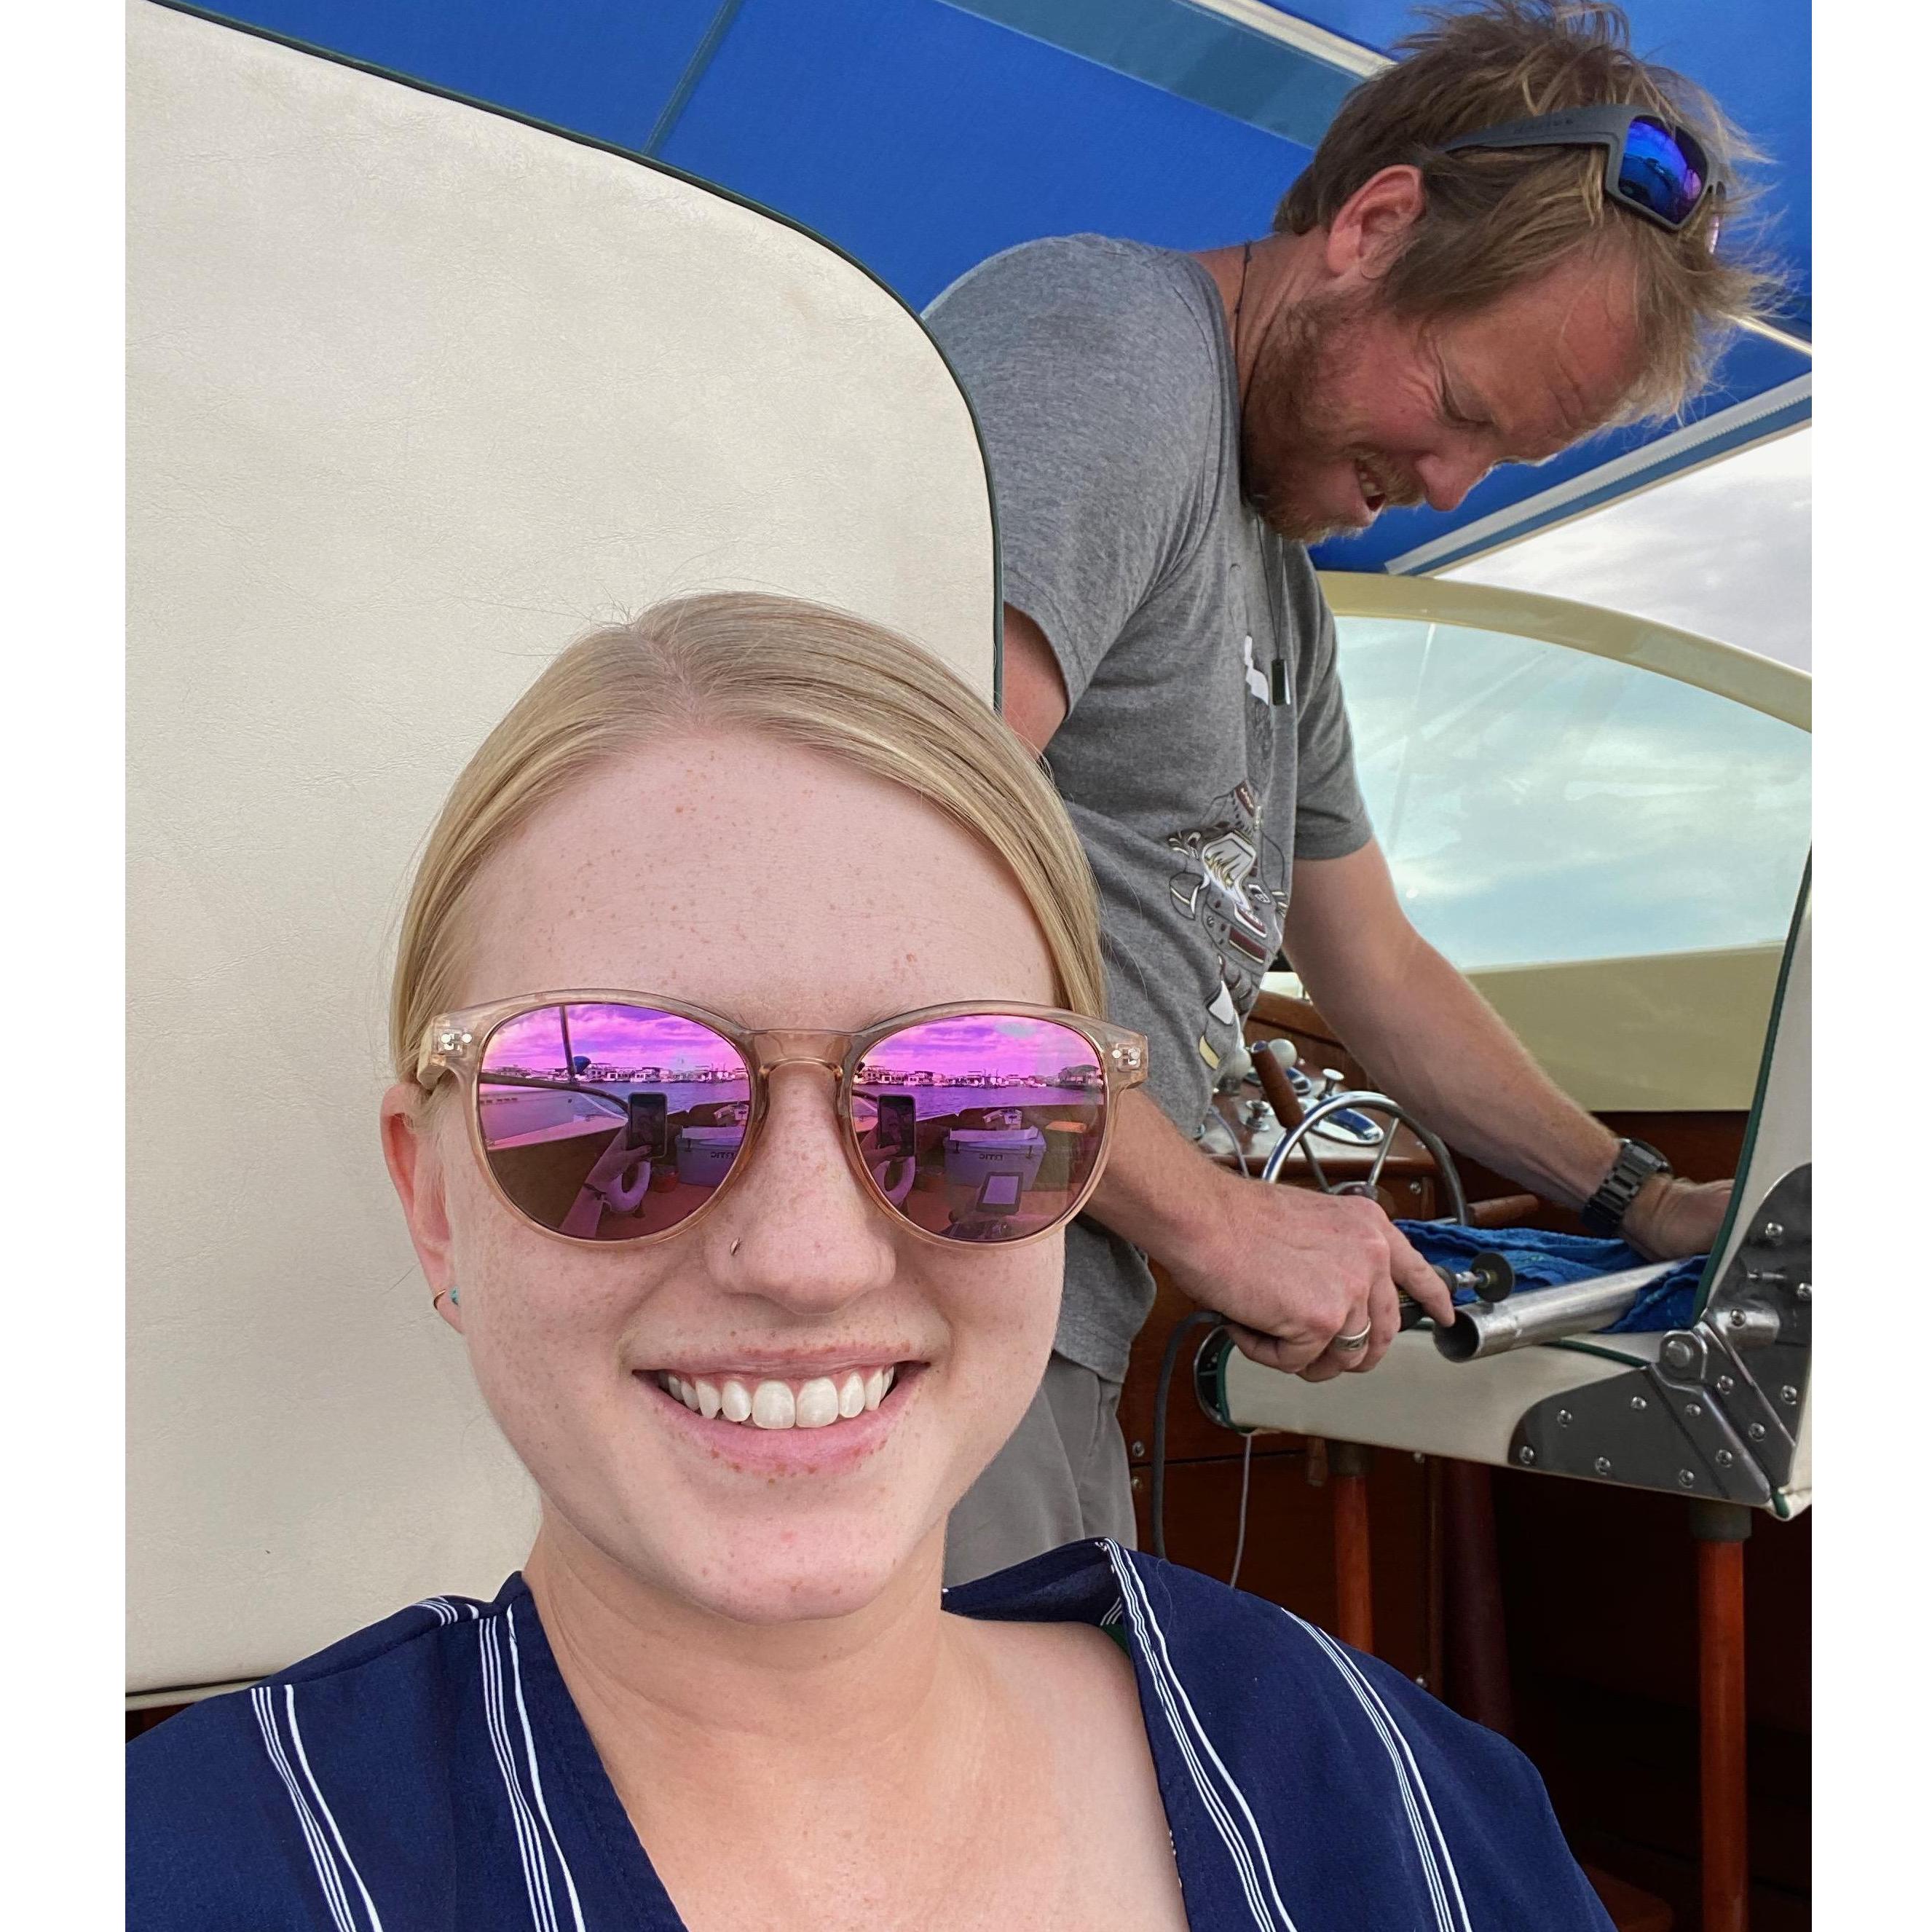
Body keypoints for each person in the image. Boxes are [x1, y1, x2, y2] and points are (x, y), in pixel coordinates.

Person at [127, 594, 1614, 1929]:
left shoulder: (1394, 1797)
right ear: (434, 1200)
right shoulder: (171, 1874)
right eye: (620, 1095)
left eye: (968, 1100)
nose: (805, 1256)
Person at [923, 0, 1767, 1582]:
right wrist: (1212, 1217)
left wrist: (1636, 1194)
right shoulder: (1106, 353)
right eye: (1457, 411)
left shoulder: (1283, 593)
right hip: (912, 1309)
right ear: (1371, 227)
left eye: (1496, 464)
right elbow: (877, 853)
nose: (1445, 488)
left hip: (1050, 1325)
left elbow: (1376, 970)